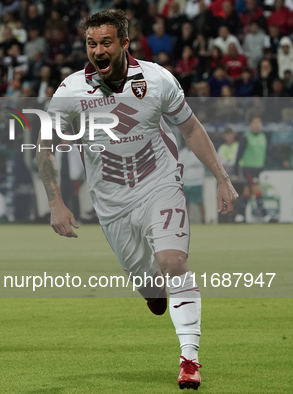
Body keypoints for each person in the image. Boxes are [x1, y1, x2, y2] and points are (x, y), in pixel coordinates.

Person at [38, 10, 238, 390]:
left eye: (106, 43)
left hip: (159, 184)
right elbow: (44, 147)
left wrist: (222, 178)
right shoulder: (69, 92)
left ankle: (190, 360)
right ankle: (156, 294)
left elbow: (191, 128)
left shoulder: (157, 79)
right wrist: (56, 203)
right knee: (151, 290)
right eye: (92, 43)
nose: (98, 50)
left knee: (172, 261)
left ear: (125, 44)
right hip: (112, 204)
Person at [234, 117, 271, 223]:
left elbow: (269, 151)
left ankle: (239, 215)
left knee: (247, 192)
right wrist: (236, 171)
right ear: (250, 125)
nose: (257, 125)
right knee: (257, 190)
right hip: (249, 169)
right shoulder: (245, 137)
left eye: (259, 123)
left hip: (258, 169)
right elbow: (239, 155)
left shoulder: (263, 137)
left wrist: (282, 160)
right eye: (255, 123)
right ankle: (266, 215)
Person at [179, 144, 206, 223]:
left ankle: (203, 220)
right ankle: (186, 221)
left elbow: (199, 161)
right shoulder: (181, 153)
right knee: (186, 203)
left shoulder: (199, 152)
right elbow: (179, 163)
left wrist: (186, 163)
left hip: (197, 182)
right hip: (185, 182)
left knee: (200, 202)